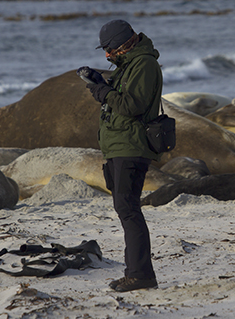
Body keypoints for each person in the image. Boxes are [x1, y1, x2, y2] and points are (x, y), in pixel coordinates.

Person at [82, 19, 162, 292]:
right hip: (120, 146)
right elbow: (123, 96)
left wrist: (101, 91)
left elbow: (132, 105)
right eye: (105, 50)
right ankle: (136, 273)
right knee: (126, 209)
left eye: (110, 49)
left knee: (129, 209)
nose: (107, 55)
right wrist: (100, 82)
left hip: (132, 146)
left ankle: (140, 276)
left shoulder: (145, 64)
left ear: (125, 44)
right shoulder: (131, 65)